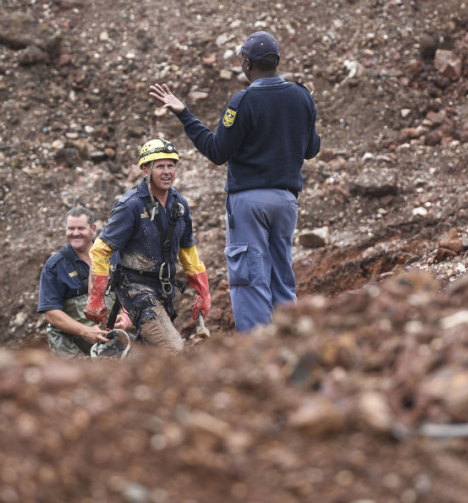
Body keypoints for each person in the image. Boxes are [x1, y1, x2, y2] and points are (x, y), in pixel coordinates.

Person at [149, 30, 322, 332]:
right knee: (281, 273)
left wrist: (185, 114)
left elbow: (218, 151)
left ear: (247, 65)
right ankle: (291, 342)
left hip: (249, 202)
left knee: (249, 277)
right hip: (286, 201)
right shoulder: (302, 96)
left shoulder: (244, 101)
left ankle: (258, 351)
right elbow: (311, 149)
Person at [83, 138, 211, 354]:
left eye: (171, 165)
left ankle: (119, 368)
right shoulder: (130, 205)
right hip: (136, 290)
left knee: (151, 356)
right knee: (174, 349)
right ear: (146, 169)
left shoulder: (179, 205)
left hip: (164, 290)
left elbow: (188, 252)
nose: (167, 171)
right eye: (160, 166)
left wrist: (203, 292)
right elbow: (100, 250)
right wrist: (96, 298)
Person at [37, 206, 131, 359]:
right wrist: (86, 331)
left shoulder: (113, 256)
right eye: (71, 229)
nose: (75, 233)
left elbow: (130, 293)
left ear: (93, 229)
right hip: (70, 346)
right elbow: (51, 314)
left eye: (81, 228)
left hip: (110, 342)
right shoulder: (54, 266)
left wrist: (126, 317)